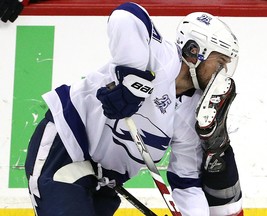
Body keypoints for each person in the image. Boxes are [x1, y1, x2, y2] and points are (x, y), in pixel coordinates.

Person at [24, 2, 243, 216]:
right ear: (195, 51)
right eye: (220, 62)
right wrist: (132, 79)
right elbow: (126, 14)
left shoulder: (193, 111)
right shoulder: (161, 57)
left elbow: (187, 184)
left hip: (103, 182)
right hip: (65, 147)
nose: (222, 72)